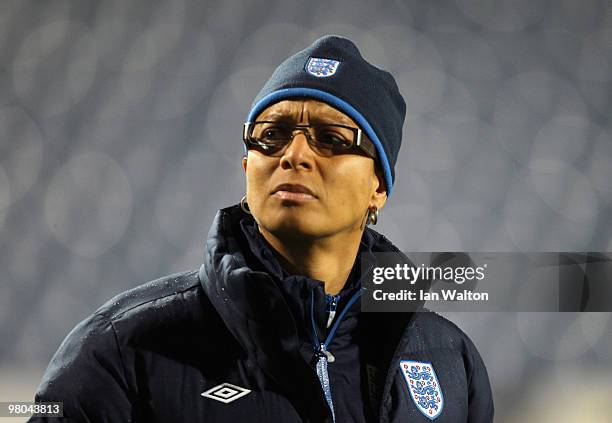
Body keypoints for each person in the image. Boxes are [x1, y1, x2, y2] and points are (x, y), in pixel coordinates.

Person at [29, 35, 493, 422]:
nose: (294, 155)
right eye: (272, 134)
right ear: (247, 163)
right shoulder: (123, 349)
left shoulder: (450, 361)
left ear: (378, 187)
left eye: (331, 139)